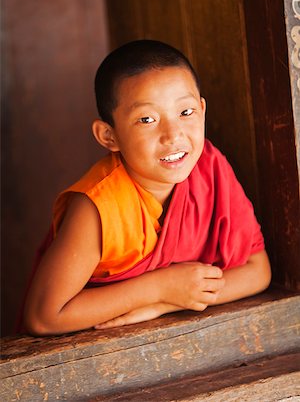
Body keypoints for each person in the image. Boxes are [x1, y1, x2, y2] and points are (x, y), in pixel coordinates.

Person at [23, 39, 271, 335]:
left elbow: (258, 271)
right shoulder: (98, 206)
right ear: (108, 135)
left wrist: (169, 301)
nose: (172, 134)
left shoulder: (209, 167)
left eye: (186, 112)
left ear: (202, 110)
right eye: (147, 119)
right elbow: (44, 317)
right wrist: (158, 288)